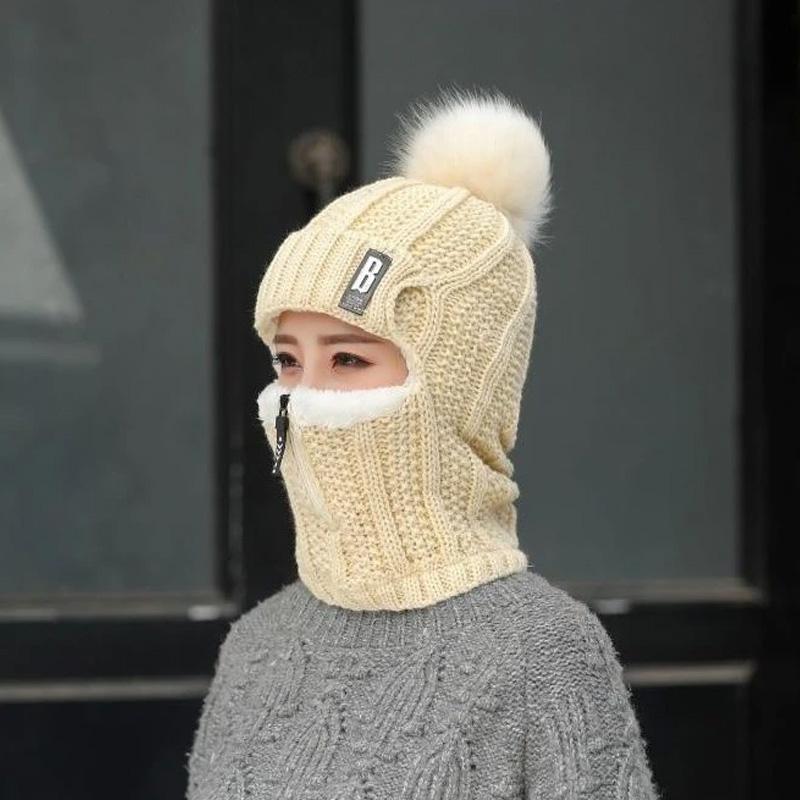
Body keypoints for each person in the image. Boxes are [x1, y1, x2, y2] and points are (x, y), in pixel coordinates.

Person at [186, 87, 661, 799]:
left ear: (456, 387)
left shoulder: (545, 652)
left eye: (348, 360)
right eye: (288, 361)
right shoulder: (255, 648)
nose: (306, 399)